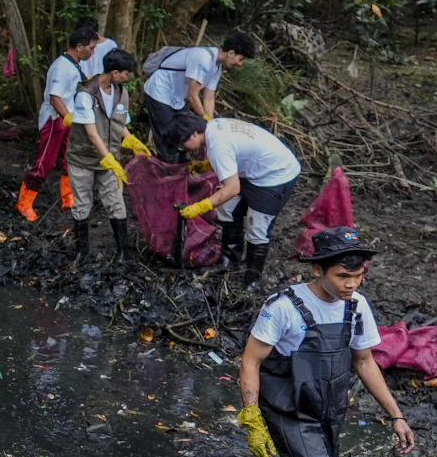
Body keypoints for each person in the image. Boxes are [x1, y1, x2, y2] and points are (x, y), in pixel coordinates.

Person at [236, 226, 415, 457]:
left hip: (329, 407)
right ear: (318, 270)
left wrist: (396, 416)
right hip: (288, 408)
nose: (352, 284)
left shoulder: (356, 306)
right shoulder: (283, 307)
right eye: (343, 276)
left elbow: (364, 361)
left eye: (358, 276)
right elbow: (251, 361)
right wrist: (251, 415)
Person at [171, 113, 303, 287]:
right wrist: (207, 165)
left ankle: (252, 280)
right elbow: (235, 152)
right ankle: (229, 259)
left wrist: (200, 207)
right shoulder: (213, 126)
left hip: (276, 175)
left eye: (182, 144)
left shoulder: (218, 146)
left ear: (194, 133)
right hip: (255, 169)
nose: (183, 149)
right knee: (227, 209)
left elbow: (232, 188)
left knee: (257, 227)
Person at [65, 48, 151, 263]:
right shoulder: (86, 94)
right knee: (82, 203)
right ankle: (82, 251)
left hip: (110, 158)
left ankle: (123, 251)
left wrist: (132, 142)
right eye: (125, 73)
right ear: (114, 72)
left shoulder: (121, 93)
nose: (127, 77)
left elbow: (121, 123)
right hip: (83, 157)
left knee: (115, 201)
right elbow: (92, 134)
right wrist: (109, 160)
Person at [16, 24, 99, 222]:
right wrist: (68, 118)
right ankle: (24, 203)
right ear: (79, 46)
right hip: (55, 119)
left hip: (68, 119)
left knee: (70, 159)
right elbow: (55, 98)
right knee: (45, 162)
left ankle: (68, 198)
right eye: (91, 48)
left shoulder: (75, 64)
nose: (93, 52)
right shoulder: (61, 67)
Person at [142, 33, 257, 162]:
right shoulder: (203, 58)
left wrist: (210, 124)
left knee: (184, 132)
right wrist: (204, 117)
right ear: (231, 53)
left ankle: (180, 163)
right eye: (240, 59)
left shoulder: (217, 68)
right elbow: (192, 95)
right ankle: (168, 166)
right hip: (160, 90)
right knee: (167, 135)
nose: (240, 64)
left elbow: (209, 98)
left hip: (177, 98)